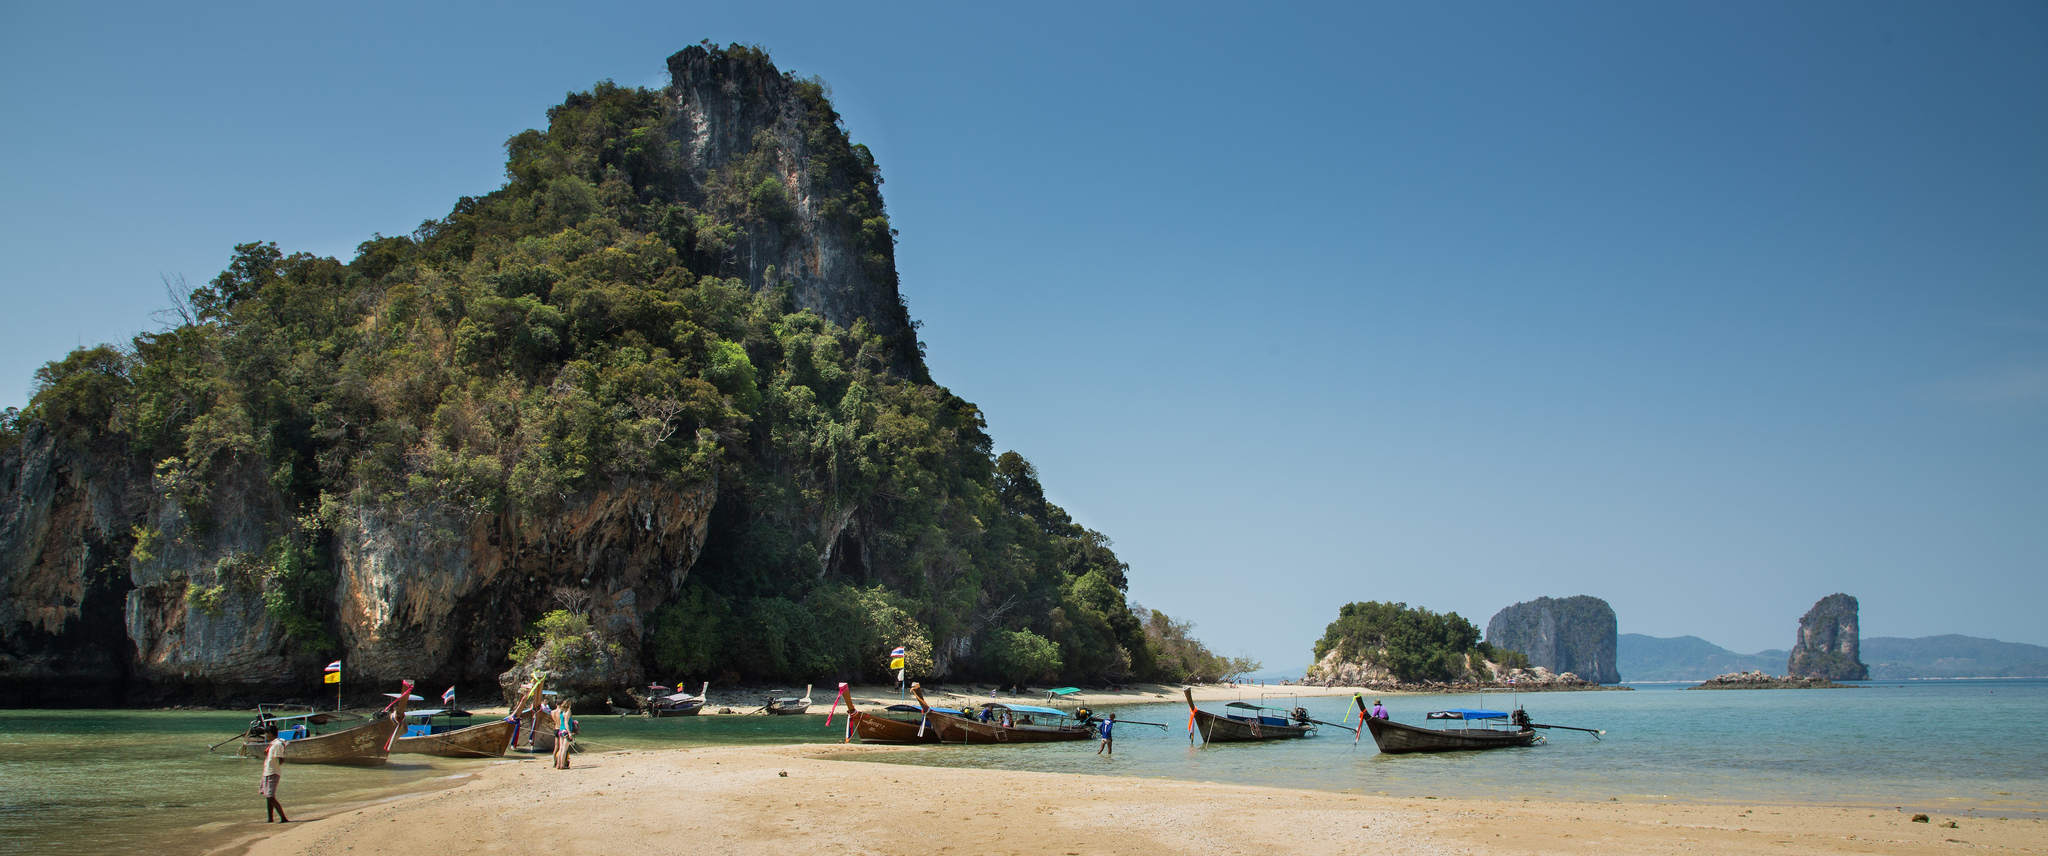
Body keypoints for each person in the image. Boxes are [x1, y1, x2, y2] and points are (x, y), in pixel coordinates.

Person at [258, 727, 290, 823]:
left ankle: (283, 818)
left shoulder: (277, 744)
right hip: (267, 772)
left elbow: (281, 759)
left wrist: (275, 763)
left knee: (270, 796)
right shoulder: (273, 744)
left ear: (270, 734)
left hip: (273, 772)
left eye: (266, 734)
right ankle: (270, 819)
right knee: (268, 796)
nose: (265, 736)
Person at [552, 703, 574, 770]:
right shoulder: (567, 712)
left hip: (560, 730)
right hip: (565, 731)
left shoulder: (561, 712)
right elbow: (566, 723)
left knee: (560, 749)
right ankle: (562, 765)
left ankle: (558, 764)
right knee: (564, 749)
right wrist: (569, 733)